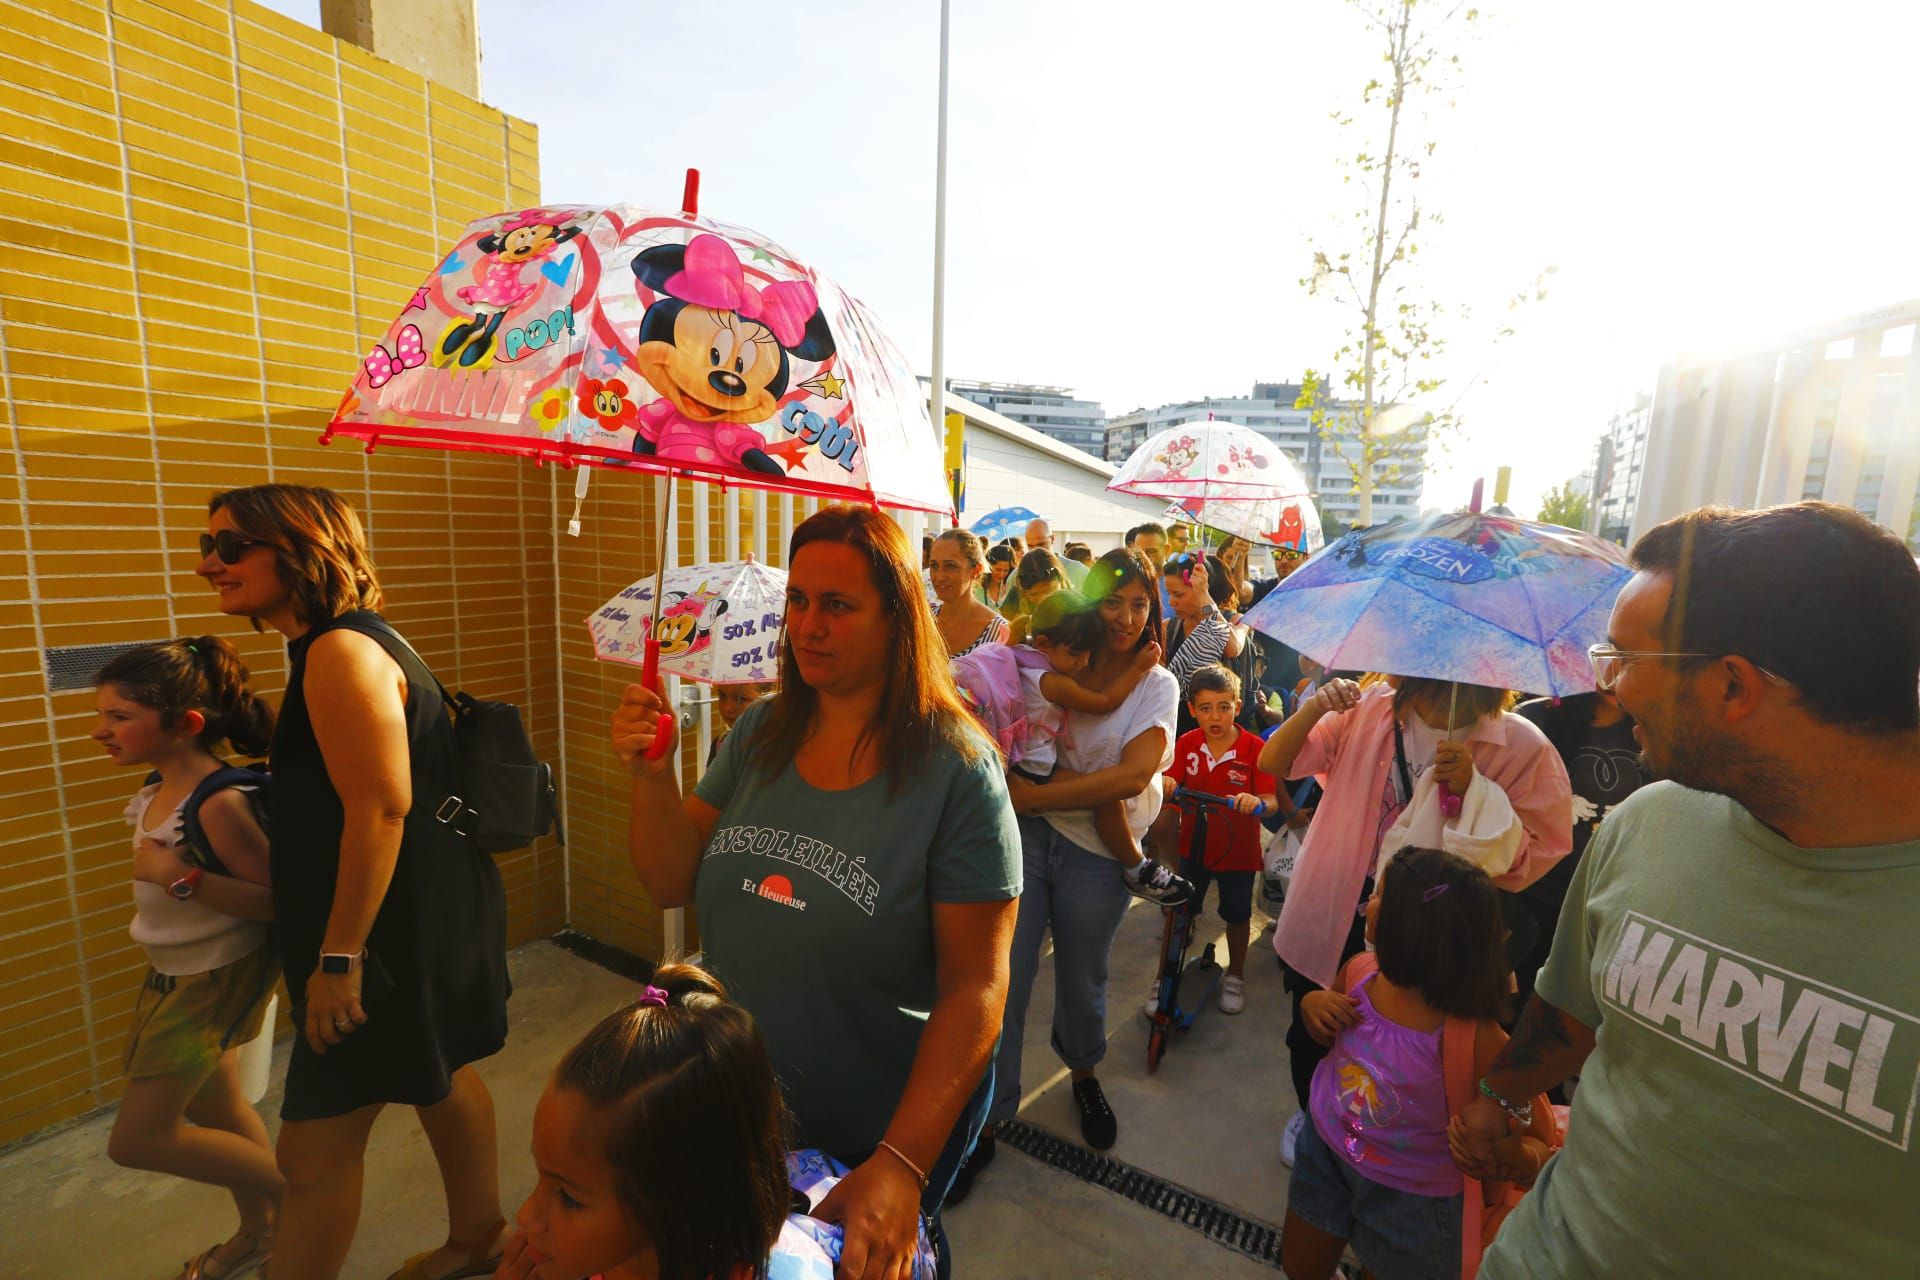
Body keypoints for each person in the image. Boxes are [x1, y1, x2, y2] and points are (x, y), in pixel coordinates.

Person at [1459, 502, 1920, 1279]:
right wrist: (1499, 1098)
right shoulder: (1648, 822)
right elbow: (1571, 1012)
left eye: (1626, 658)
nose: (1606, 683)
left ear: (1733, 686)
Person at [612, 505, 1021, 1280]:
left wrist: (901, 1165)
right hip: (736, 1113)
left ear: (897, 619)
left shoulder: (958, 772)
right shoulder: (760, 731)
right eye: (798, 600)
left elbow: (979, 987)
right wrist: (649, 774)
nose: (807, 624)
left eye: (837, 605)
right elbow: (669, 877)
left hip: (870, 1140)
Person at [201, 485, 511, 1280]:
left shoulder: (339, 652)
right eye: (210, 548)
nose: (211, 565)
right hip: (417, 910)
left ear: (300, 548)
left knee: (311, 1149)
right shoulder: (344, 643)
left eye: (232, 547)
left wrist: (339, 960)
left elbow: (378, 811)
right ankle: (481, 1239)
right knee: (441, 1073)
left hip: (377, 933)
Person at [1258, 673, 1571, 1166]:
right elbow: (1277, 762)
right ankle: (1314, 1113)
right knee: (1314, 1019)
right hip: (1336, 900)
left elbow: (1543, 848)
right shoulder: (1366, 708)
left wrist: (1476, 793)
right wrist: (1315, 706)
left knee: (1417, 1049)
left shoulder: (1520, 744)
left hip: (1435, 931)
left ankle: (1391, 1136)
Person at [960, 548, 1178, 1195]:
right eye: (1114, 600)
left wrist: (1032, 794)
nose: (1126, 616)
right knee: (1007, 980)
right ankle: (989, 1123)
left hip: (1095, 854)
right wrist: (1030, 802)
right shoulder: (1060, 657)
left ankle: (1083, 1075)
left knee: (1083, 979)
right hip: (1024, 840)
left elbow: (1134, 774)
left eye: (1141, 604)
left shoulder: (1156, 683)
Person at [496, 962, 937, 1280]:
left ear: (676, 1210)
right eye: (541, 1179)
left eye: (568, 1198)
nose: (526, 1215)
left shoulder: (791, 1272)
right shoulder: (613, 1254)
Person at [95, 638, 283, 1280]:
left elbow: (275, 902)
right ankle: (263, 1233)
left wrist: (181, 876)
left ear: (187, 725)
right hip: (176, 973)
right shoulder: (158, 788)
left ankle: (303, 1201)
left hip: (209, 982)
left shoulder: (217, 802)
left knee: (139, 1141)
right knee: (216, 1109)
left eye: (120, 717)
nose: (102, 731)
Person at [1282, 848, 1554, 1280]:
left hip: (1414, 1202)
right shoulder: (1360, 973)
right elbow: (1327, 1032)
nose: (1368, 903)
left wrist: (1514, 1156)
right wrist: (1315, 1007)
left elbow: (1542, 1136)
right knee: (1299, 1266)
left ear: (1411, 932)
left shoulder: (1476, 1038)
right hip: (1326, 1156)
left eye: (1379, 895)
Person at [951, 590, 1189, 906]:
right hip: (1034, 771)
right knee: (1106, 800)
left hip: (1012, 763)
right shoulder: (1051, 682)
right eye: (1077, 654)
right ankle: (1136, 868)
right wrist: (1137, 669)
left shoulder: (1018, 655)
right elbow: (1103, 703)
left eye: (1090, 654)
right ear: (1046, 644)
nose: (1084, 663)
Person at [1149, 663, 1278, 1015]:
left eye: (1224, 706)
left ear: (1238, 706)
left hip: (1239, 854)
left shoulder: (1254, 748)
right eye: (1205, 708)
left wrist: (1257, 802)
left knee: (1237, 916)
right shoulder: (1187, 743)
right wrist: (1168, 783)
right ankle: (1164, 975)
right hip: (1194, 848)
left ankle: (1235, 975)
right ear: (1192, 711)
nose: (1215, 716)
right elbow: (1167, 780)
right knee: (1180, 911)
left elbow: (1272, 801)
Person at [1507, 690, 1646, 1015]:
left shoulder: (1655, 730)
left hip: (1613, 905)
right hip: (1533, 902)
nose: (1614, 673)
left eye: (1625, 659)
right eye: (1605, 657)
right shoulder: (1535, 721)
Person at [1161, 552, 1236, 736]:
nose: (1171, 602)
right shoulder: (1168, 628)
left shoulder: (1234, 620)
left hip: (1219, 735)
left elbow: (1232, 647)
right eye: (1169, 594)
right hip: (1177, 733)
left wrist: (1204, 596)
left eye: (1178, 594)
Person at [927, 529, 1010, 658]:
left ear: (976, 570)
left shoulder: (998, 631)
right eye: (934, 565)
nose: (939, 576)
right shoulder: (924, 621)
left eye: (950, 566)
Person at [1000, 547, 1069, 644]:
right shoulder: (1014, 601)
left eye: (1049, 592)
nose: (1042, 600)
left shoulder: (1075, 608)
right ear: (1023, 591)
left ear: (1061, 581)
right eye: (1033, 594)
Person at [708, 680, 774, 766]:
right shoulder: (721, 744)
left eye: (742, 698)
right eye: (722, 695)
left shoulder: (778, 749)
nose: (727, 708)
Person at [1018, 517, 1087, 590]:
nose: (1036, 550)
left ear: (1052, 539)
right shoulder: (1018, 576)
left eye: (1041, 544)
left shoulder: (1078, 572)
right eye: (1030, 546)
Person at [980, 544, 1016, 608]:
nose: (1002, 574)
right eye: (998, 570)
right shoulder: (977, 587)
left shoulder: (1011, 587)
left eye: (1006, 570)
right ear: (988, 566)